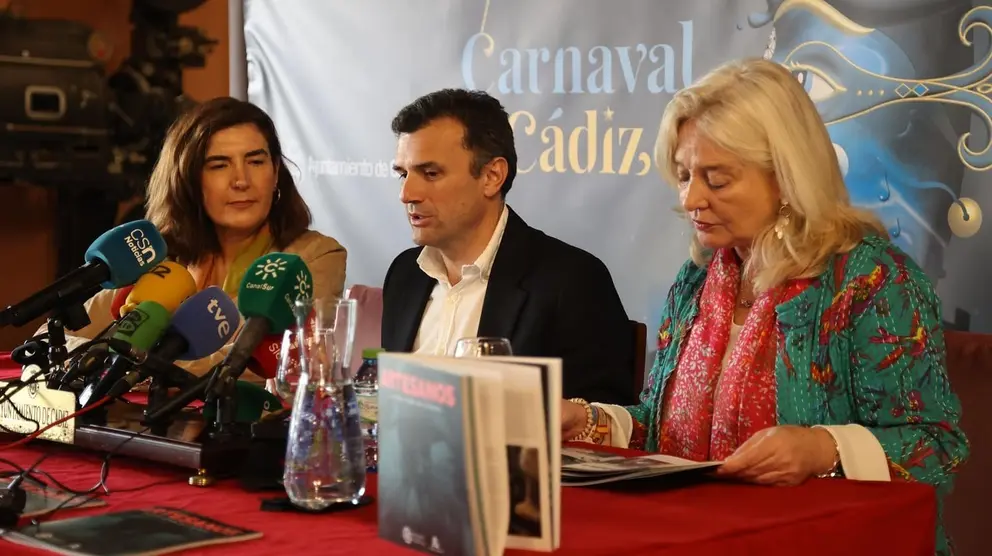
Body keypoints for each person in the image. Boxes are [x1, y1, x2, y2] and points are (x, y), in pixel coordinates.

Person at [560, 58, 968, 554]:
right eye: (685, 176)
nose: (691, 199)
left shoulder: (871, 281)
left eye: (717, 180)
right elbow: (665, 438)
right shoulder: (697, 279)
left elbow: (935, 448)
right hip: (697, 537)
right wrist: (587, 420)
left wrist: (821, 448)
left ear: (785, 177)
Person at [38, 97, 347, 380]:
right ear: (188, 180)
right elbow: (49, 341)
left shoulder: (314, 256)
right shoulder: (156, 256)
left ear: (276, 172)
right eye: (219, 165)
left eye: (256, 162)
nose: (241, 181)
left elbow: (250, 364)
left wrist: (120, 364)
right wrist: (109, 360)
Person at [381, 89, 635, 405]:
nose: (407, 194)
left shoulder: (571, 281)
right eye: (403, 174)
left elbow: (606, 416)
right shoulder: (405, 274)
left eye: (430, 173)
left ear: (492, 176)